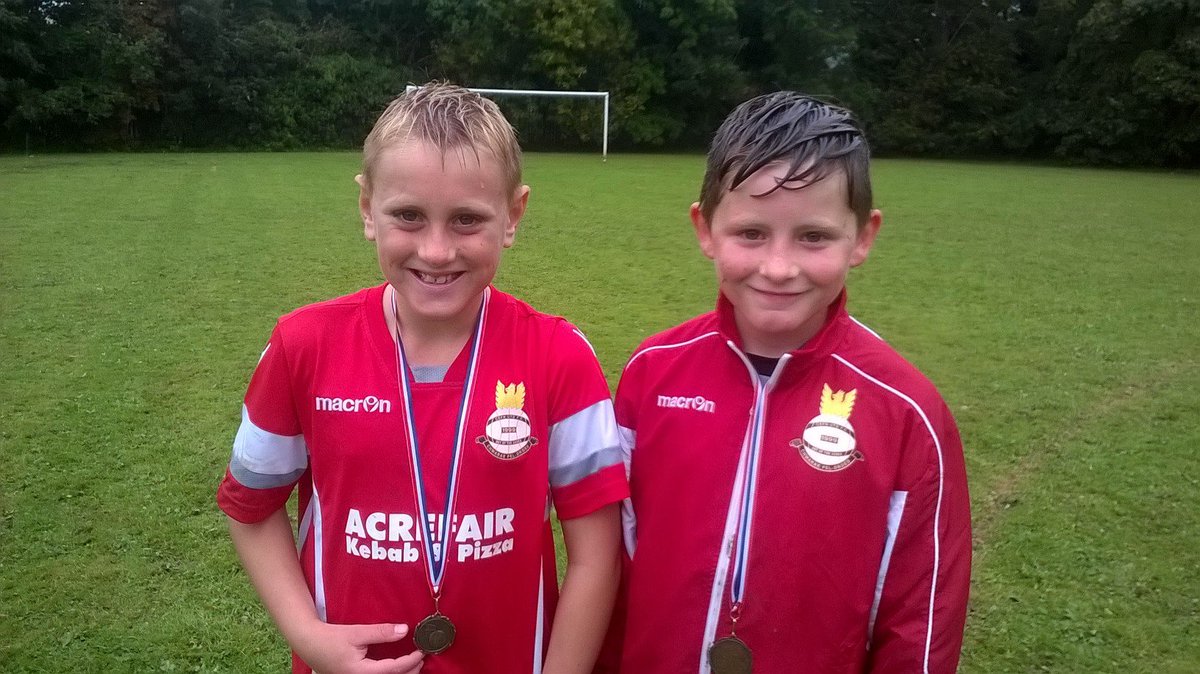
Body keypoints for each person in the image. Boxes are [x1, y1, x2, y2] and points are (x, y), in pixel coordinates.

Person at [217, 83, 627, 674]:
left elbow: (597, 556)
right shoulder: (302, 348)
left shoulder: (558, 356)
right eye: (408, 216)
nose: (436, 251)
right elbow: (250, 506)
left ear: (513, 216)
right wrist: (308, 636)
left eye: (467, 220)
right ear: (367, 209)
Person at [602, 92, 971, 672]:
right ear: (705, 228)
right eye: (750, 233)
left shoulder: (907, 412)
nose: (778, 267)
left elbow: (921, 620)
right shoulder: (652, 373)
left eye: (813, 237)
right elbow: (613, 563)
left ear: (864, 237)